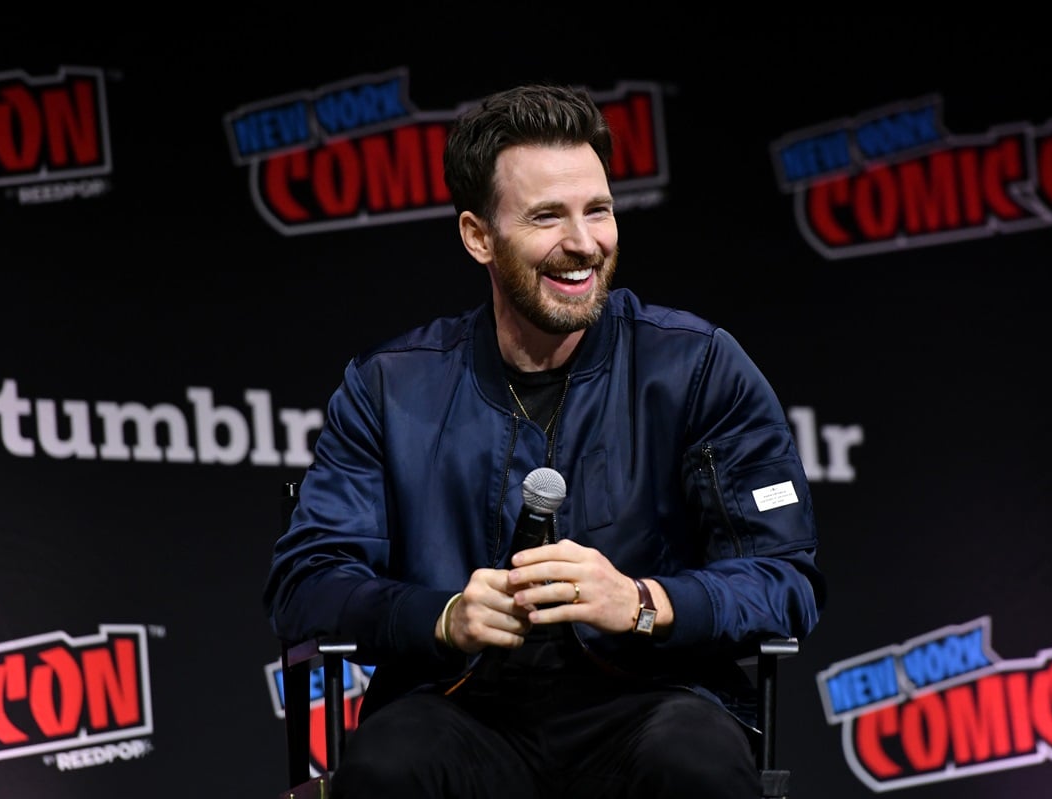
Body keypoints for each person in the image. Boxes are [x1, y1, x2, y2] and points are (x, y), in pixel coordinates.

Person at [263, 82, 825, 798]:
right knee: (385, 768)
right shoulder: (388, 387)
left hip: (651, 704)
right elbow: (306, 585)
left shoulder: (700, 367)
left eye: (599, 210)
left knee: (698, 764)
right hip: (456, 708)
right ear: (478, 236)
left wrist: (644, 601)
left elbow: (786, 578)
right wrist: (443, 617)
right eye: (546, 216)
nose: (583, 242)